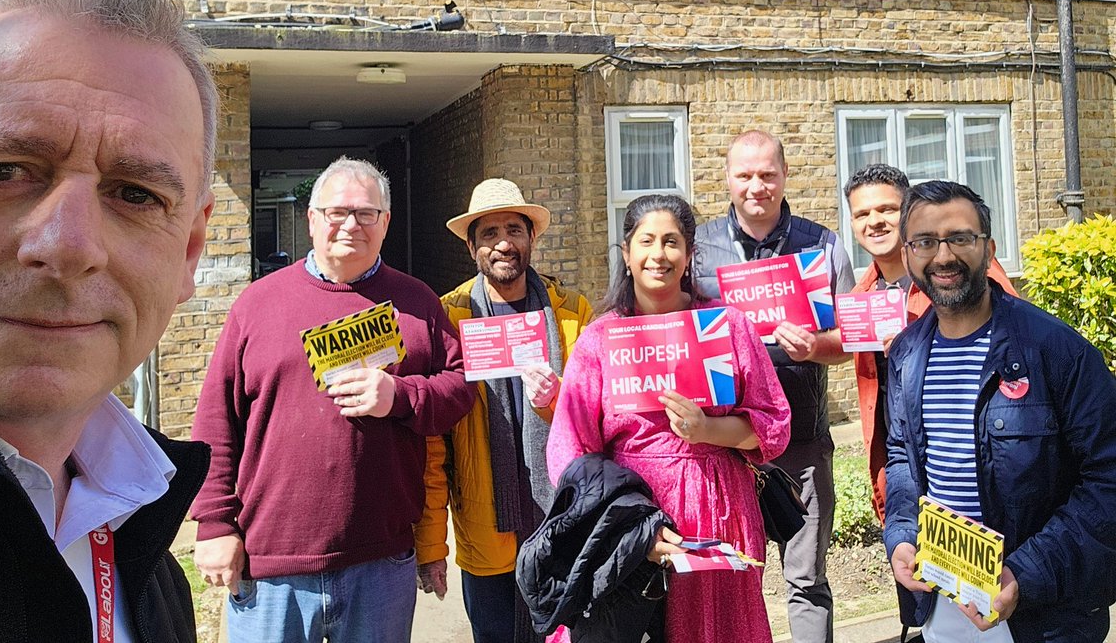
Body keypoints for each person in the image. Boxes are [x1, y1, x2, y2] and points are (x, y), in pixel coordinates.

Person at [0, 0, 216, 641]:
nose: (72, 244)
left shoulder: (148, 555)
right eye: (1, 170)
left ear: (189, 252)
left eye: (136, 194)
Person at [190, 156, 475, 642]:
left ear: (385, 223)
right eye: (336, 212)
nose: (351, 224)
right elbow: (217, 422)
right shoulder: (257, 304)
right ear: (312, 219)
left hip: (381, 560)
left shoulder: (417, 302)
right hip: (272, 563)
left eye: (366, 213)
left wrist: (399, 396)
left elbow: (461, 387)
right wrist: (214, 525)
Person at [546, 194, 791, 642]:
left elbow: (773, 424)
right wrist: (628, 528)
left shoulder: (726, 327)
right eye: (646, 241)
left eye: (672, 242)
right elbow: (570, 450)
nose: (658, 255)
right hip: (630, 521)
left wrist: (707, 430)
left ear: (690, 252)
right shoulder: (600, 340)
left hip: (718, 512)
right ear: (626, 253)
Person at [885, 180, 1116, 642]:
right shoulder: (906, 355)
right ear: (908, 255)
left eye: (961, 238)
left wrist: (1024, 573)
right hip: (941, 601)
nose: (943, 256)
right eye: (926, 242)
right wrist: (903, 536)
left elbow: (1108, 479)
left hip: (1044, 611)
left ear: (988, 248)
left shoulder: (1057, 351)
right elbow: (902, 459)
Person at [691, 129, 853, 642]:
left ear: (785, 176)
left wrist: (815, 346)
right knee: (731, 582)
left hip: (802, 440)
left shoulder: (823, 245)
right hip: (727, 446)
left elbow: (852, 338)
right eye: (745, 175)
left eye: (767, 174)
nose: (756, 185)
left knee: (806, 581)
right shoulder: (698, 249)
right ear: (728, 179)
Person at [416, 178, 594, 643]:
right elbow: (433, 446)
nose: (503, 244)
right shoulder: (448, 318)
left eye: (514, 230)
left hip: (560, 524)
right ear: (472, 246)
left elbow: (598, 423)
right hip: (484, 529)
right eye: (489, 234)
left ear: (531, 238)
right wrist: (431, 545)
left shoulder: (572, 314)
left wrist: (557, 400)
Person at [841, 164, 1016, 522]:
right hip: (905, 471)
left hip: (980, 471)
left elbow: (1015, 338)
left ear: (908, 214)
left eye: (887, 209)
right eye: (862, 213)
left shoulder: (963, 272)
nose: (874, 221)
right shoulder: (860, 297)